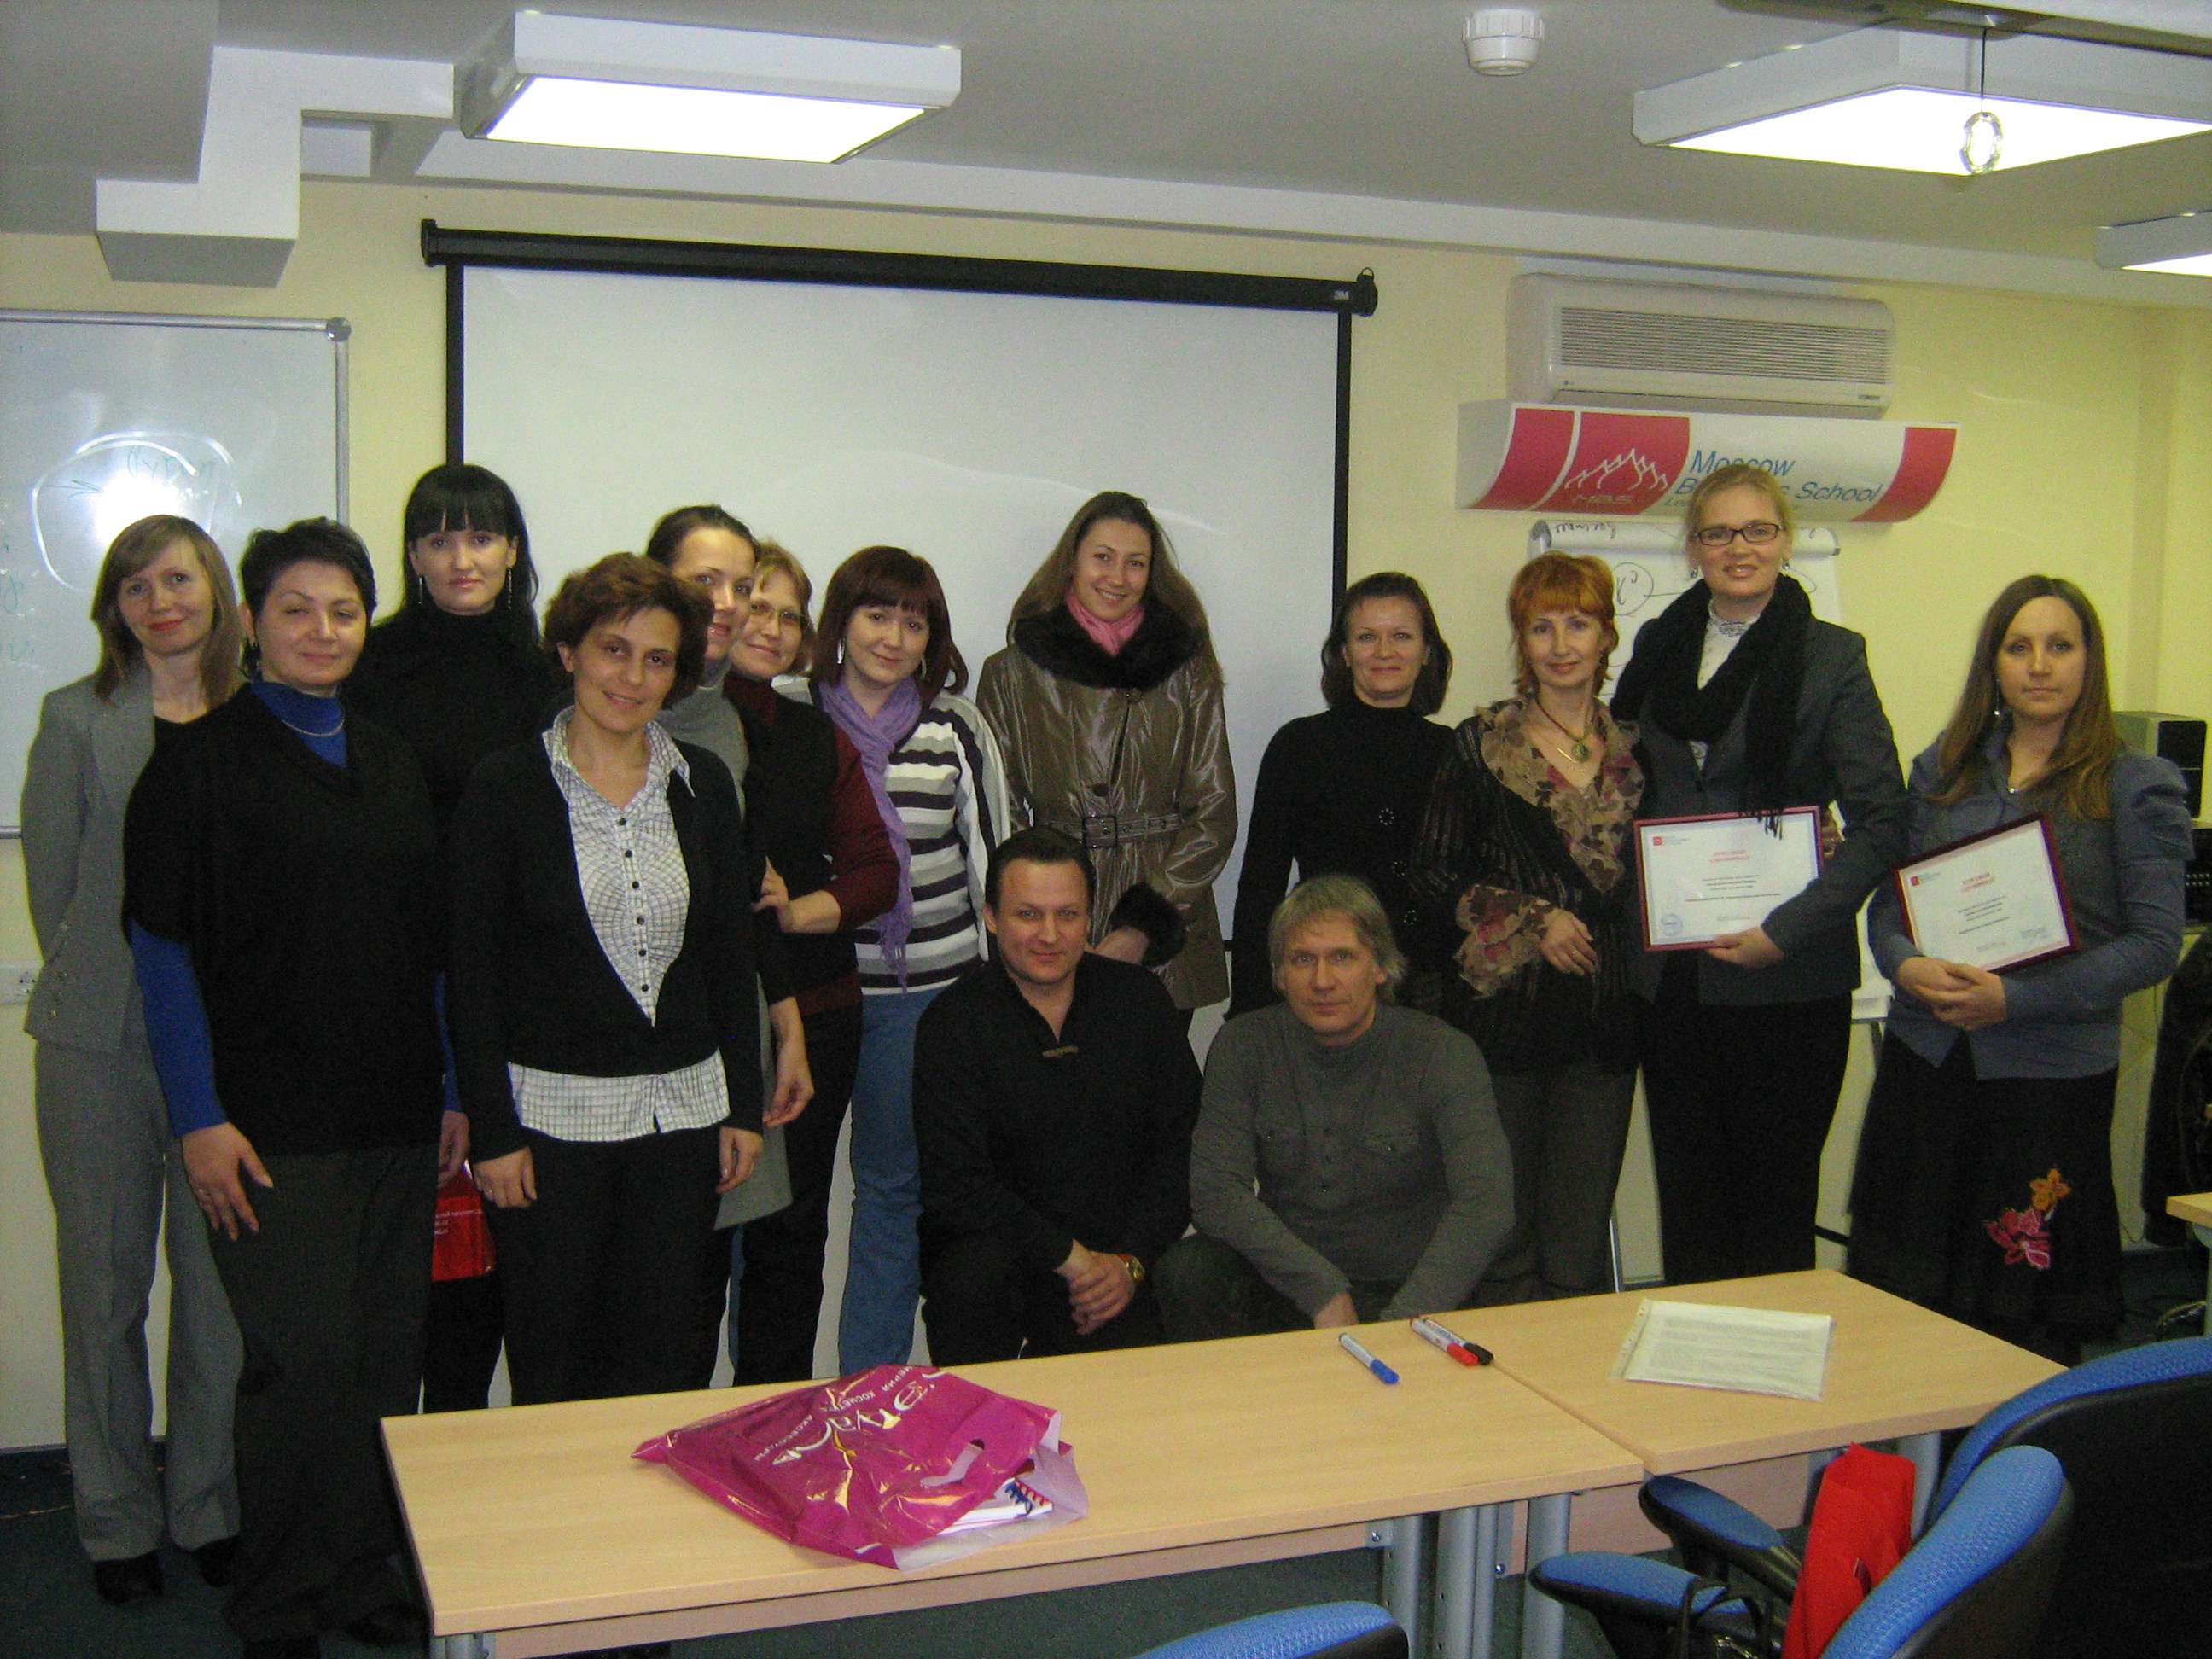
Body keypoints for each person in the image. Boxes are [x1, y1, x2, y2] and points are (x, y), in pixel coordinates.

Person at [124, 517, 450, 1658]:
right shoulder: (196, 764)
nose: (322, 629)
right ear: (252, 623)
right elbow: (160, 950)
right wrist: (198, 1118)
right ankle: (277, 1597)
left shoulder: (394, 760)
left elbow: (430, 948)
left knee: (381, 1366)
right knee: (297, 1369)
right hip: (267, 1131)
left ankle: (361, 1576)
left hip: (397, 1116)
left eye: (344, 610)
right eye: (296, 609)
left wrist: (453, 1090)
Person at [448, 554, 764, 1406]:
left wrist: (742, 1108)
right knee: (555, 1366)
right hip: (551, 1128)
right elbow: (472, 977)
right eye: (614, 650)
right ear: (570, 653)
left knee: (666, 1362)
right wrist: (493, 1134)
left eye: (656, 659)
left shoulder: (703, 786)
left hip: (683, 1122)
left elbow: (729, 958)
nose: (631, 677)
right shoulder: (505, 787)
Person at [1849, 577, 2189, 1361]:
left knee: (2020, 1320)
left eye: (2060, 646)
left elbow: (2155, 942)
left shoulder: (2137, 784)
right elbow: (1891, 909)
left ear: (2089, 661)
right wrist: (1906, 966)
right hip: (1929, 1062)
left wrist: (2018, 999)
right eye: (2019, 647)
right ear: (1993, 664)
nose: (2039, 665)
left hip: (2048, 1080)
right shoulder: (1943, 769)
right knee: (1905, 1310)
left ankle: (2014, 1442)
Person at [1611, 463, 1908, 1286]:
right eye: (1717, 532)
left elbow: (1884, 819)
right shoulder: (1658, 647)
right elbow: (1632, 787)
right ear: (1694, 547)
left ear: (1784, 541)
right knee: (1691, 1202)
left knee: (1774, 1210)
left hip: (1789, 977)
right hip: (1676, 977)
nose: (1738, 548)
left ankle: (1780, 1363)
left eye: (1757, 530)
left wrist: (1788, 931)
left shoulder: (1831, 657)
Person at [21, 515, 244, 1605]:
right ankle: (114, 1522)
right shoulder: (76, 718)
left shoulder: (263, 716)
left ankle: (208, 1508)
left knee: (218, 1297)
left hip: (233, 1049)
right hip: (98, 1047)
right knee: (104, 1289)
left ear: (217, 590)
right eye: (137, 586)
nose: (161, 602)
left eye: (178, 579)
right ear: (114, 607)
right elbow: (55, 889)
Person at [346, 462, 563, 1414]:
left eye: (480, 537)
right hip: (399, 988)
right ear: (413, 555)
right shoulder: (369, 666)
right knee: (419, 1264)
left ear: (512, 550)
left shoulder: (552, 672)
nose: (461, 558)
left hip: (523, 991)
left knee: (506, 1262)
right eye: (439, 540)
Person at [799, 544, 1008, 1371]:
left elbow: (991, 860)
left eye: (913, 623)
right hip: (814, 1003)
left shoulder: (954, 724)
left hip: (924, 1002)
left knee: (890, 1195)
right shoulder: (794, 714)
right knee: (784, 1211)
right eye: (876, 615)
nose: (892, 638)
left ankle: (870, 1388)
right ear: (840, 622)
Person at [1413, 553, 1642, 1301]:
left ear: (1606, 636)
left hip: (1605, 1025)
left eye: (1579, 624)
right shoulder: (1480, 745)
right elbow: (1432, 876)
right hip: (1503, 1025)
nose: (1561, 644)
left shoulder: (1640, 752)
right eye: (1542, 627)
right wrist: (1534, 919)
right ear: (1522, 640)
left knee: (1577, 1245)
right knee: (1502, 1243)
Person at [1154, 876, 1514, 1339]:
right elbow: (1216, 1193)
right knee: (1189, 1270)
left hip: (1411, 1289)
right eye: (1303, 959)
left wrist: (1403, 1325)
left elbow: (1487, 1204)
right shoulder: (1243, 1045)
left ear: (1380, 967)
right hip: (1291, 1283)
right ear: (1280, 975)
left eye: (1342, 957)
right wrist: (1321, 1290)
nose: (1322, 981)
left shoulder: (1443, 1053)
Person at [639, 506, 814, 1387]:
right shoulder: (605, 708)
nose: (727, 603)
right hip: (630, 1050)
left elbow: (743, 901)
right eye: (703, 580)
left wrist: (785, 1021)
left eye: (740, 585)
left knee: (709, 1263)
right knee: (655, 1293)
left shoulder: (723, 723)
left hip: (722, 1026)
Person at [914, 828, 1202, 1362]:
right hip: (1003, 1261)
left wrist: (1130, 1262)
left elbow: (1181, 1149)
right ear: (991, 917)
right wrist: (1070, 1258)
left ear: (1089, 918)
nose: (1049, 935)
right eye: (1028, 915)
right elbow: (957, 1185)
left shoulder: (1140, 1002)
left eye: (1067, 915)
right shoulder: (952, 1023)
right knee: (970, 1281)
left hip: (1116, 1265)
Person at [719, 540, 899, 1383]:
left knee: (789, 1243)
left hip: (820, 1014)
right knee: (692, 1250)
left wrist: (795, 912)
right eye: (756, 605)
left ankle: (778, 1423)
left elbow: (875, 873)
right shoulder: (664, 721)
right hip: (709, 1026)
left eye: (791, 616)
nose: (772, 627)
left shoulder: (814, 737)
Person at [978, 492, 1236, 1022]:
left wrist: (1143, 926)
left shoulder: (1187, 669)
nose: (1118, 577)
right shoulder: (1011, 672)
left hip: (1164, 911)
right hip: (1052, 913)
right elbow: (999, 810)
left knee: (1153, 1071)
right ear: (1071, 561)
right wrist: (1046, 912)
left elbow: (1214, 814)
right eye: (1103, 557)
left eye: (1135, 563)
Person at [1231, 572, 1458, 1017]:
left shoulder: (1455, 751)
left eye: (1402, 636)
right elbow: (1261, 883)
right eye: (1367, 637)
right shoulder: (1299, 746)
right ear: (1344, 653)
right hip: (1327, 982)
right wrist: (1251, 1005)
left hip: (1431, 988)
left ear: (1427, 651)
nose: (1385, 651)